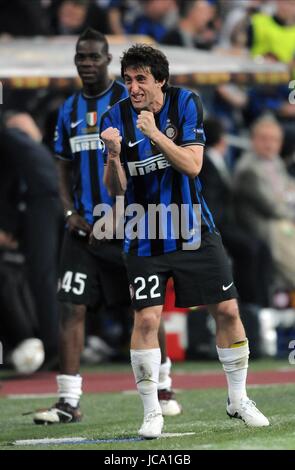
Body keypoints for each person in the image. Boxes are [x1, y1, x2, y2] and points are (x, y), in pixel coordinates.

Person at [100, 44, 269, 439]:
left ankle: (238, 398)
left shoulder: (186, 103)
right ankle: (151, 410)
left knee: (227, 309)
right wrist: (111, 157)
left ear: (161, 80)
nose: (133, 87)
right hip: (144, 232)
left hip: (193, 229)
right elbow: (116, 190)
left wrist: (155, 132)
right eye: (127, 80)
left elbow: (193, 166)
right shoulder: (113, 117)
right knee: (146, 318)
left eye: (141, 79)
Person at [33, 29, 180, 425]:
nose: (87, 63)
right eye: (81, 56)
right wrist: (68, 213)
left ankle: (163, 386)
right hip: (84, 228)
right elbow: (61, 166)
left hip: (129, 226)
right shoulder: (67, 110)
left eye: (94, 56)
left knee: (144, 307)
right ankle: (68, 400)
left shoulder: (129, 101)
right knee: (70, 305)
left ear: (107, 58)